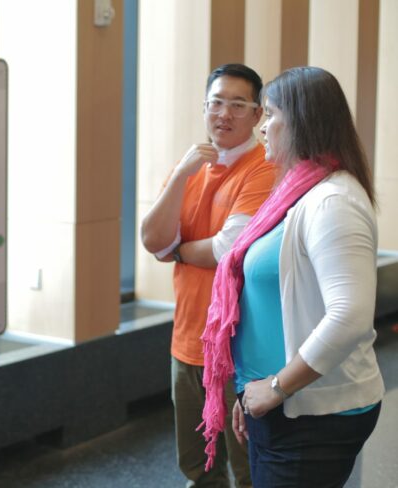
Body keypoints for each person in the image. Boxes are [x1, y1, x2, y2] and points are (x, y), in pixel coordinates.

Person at [201, 66, 385, 487]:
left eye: (270, 115)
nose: (263, 128)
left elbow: (350, 316)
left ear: (302, 122)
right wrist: (252, 391)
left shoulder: (332, 200)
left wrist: (278, 387)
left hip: (314, 412)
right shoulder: (297, 191)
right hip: (279, 401)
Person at [141, 64, 277, 487]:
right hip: (188, 339)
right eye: (216, 102)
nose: (225, 113)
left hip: (240, 348)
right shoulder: (191, 165)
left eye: (238, 104)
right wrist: (182, 175)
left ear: (258, 116)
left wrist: (178, 251)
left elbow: (227, 248)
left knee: (248, 469)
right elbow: (151, 240)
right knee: (199, 469)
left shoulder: (264, 168)